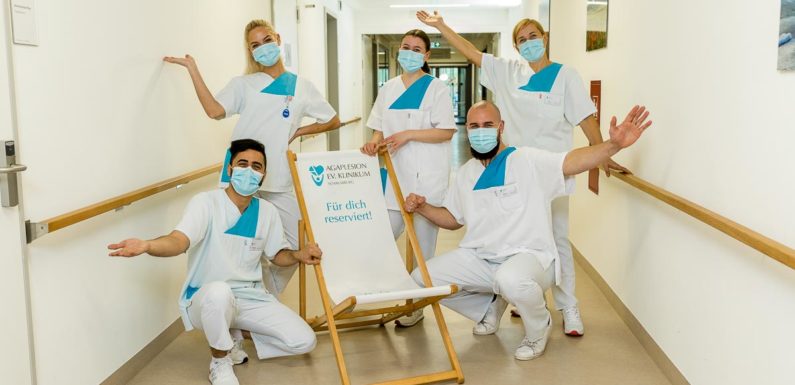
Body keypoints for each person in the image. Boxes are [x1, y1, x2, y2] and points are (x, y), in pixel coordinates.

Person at [418, 11, 629, 335]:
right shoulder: (508, 72)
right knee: (506, 241)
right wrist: (441, 27)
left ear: (545, 38)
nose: (528, 43)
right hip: (511, 170)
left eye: (533, 36)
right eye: (521, 40)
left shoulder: (565, 76)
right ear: (515, 47)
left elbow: (585, 118)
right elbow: (473, 54)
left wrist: (602, 152)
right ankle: (511, 298)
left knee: (556, 239)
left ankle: (568, 306)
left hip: (551, 169)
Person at [405, 101, 651, 360]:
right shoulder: (467, 173)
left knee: (510, 280)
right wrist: (423, 208)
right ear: (466, 129)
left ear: (501, 127)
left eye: (488, 125)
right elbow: (453, 218)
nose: (480, 131)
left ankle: (538, 329)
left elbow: (571, 161)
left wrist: (613, 145)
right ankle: (487, 307)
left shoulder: (527, 160)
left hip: (531, 258)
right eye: (474, 126)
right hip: (481, 257)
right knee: (422, 278)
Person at [108, 139, 322, 385]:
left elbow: (277, 255)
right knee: (220, 293)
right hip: (206, 297)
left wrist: (298, 255)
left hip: (251, 298)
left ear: (264, 174)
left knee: (304, 341)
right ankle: (220, 361)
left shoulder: (267, 211)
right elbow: (179, 241)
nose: (249, 171)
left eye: (257, 166)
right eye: (243, 164)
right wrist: (147, 245)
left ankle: (233, 334)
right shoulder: (206, 203)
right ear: (230, 169)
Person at [164, 19, 340, 295]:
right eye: (255, 45)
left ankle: (260, 299)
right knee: (234, 245)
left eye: (266, 40)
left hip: (280, 178)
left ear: (278, 39)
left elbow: (332, 119)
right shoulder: (244, 84)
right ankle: (236, 308)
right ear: (250, 51)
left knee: (292, 246)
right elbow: (214, 111)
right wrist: (193, 70)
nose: (263, 48)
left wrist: (299, 131)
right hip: (242, 175)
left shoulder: (302, 87)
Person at [360, 29, 457, 327]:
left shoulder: (437, 89)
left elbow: (446, 131)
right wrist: (373, 143)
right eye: (405, 47)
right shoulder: (388, 88)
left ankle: (416, 305)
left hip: (426, 178)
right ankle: (374, 296)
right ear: (398, 51)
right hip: (393, 176)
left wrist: (409, 134)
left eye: (417, 49)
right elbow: (378, 126)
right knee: (382, 237)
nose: (410, 52)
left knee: (423, 248)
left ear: (426, 56)